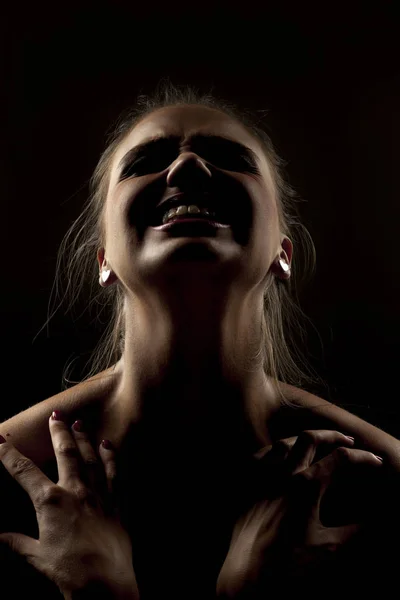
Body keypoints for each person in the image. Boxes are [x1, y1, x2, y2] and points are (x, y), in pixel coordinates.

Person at [0, 81, 399, 598]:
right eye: (146, 161)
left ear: (284, 254)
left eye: (231, 158)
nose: (188, 169)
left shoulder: (381, 482)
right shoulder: (14, 472)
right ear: (104, 262)